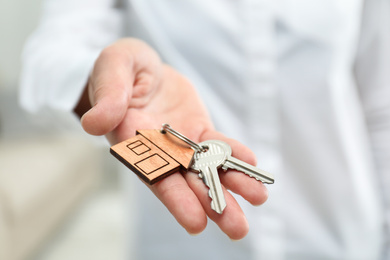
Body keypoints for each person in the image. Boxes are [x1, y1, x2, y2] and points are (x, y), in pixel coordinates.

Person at [20, 0, 390, 259]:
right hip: (187, 248)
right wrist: (102, 84)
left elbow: (380, 108)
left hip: (342, 239)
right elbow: (47, 60)